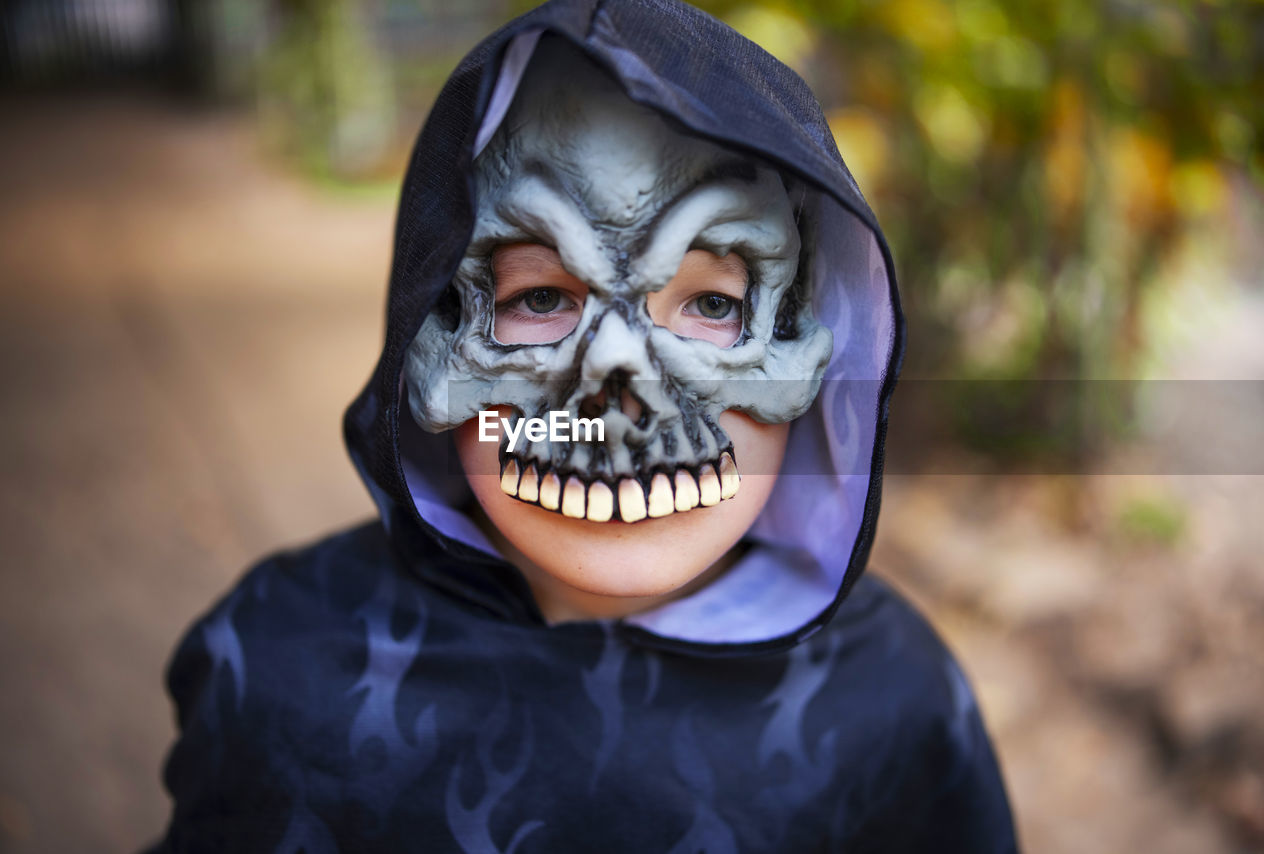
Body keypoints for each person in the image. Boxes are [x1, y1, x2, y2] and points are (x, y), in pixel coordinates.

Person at [147, 1, 1018, 851]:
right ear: (433, 334)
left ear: (807, 340)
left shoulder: (899, 708)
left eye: (713, 303)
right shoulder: (273, 668)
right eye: (539, 299)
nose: (620, 381)